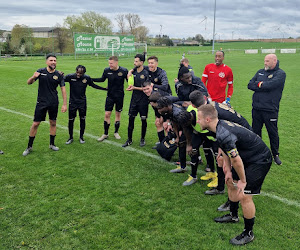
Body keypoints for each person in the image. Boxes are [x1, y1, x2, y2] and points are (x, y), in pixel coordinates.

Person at [197, 104, 272, 245]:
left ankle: (248, 233)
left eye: (199, 118)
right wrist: (227, 169)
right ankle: (233, 215)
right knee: (229, 182)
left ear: (207, 119)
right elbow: (225, 149)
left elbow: (236, 160)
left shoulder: (222, 132)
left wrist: (243, 180)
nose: (197, 121)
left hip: (260, 159)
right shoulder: (217, 127)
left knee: (244, 195)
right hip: (247, 157)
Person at [23, 54, 67, 156]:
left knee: (53, 123)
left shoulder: (59, 75)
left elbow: (63, 90)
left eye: (55, 60)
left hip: (53, 102)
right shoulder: (40, 71)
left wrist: (64, 104)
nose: (53, 62)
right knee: (35, 124)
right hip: (41, 102)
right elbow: (29, 82)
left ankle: (52, 144)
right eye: (51, 60)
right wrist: (33, 77)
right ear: (46, 62)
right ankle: (29, 147)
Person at [248, 54, 286, 165]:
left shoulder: (280, 74)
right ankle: (257, 153)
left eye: (267, 61)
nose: (265, 63)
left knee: (272, 133)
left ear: (274, 61)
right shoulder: (260, 71)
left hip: (270, 109)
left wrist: (259, 85)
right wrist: (262, 85)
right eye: (265, 61)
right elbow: (250, 84)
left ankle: (275, 155)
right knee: (256, 132)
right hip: (257, 109)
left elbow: (271, 85)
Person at [64, 65, 107, 144]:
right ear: (75, 71)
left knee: (82, 119)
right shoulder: (70, 77)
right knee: (71, 120)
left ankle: (81, 137)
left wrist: (104, 89)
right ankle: (70, 137)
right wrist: (59, 74)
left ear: (83, 73)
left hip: (82, 103)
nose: (78, 74)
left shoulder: (86, 78)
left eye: (80, 73)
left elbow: (93, 85)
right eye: (77, 72)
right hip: (72, 102)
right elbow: (60, 80)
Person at [93, 56, 128, 141]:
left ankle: (116, 132)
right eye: (109, 63)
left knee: (117, 114)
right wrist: (90, 79)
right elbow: (102, 79)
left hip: (120, 96)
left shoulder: (124, 71)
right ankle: (105, 134)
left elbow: (129, 81)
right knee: (107, 114)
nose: (110, 65)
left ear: (116, 62)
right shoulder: (106, 70)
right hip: (110, 96)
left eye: (111, 63)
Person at [122, 54, 149, 147]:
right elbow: (130, 83)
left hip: (143, 100)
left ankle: (142, 139)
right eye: (134, 61)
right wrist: (128, 76)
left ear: (142, 62)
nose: (134, 63)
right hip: (134, 100)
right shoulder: (133, 72)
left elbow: (147, 88)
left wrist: (134, 88)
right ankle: (129, 139)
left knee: (143, 120)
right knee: (131, 119)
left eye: (136, 61)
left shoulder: (146, 73)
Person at [146, 56, 172, 144]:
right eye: (149, 63)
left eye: (152, 63)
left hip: (165, 101)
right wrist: (130, 72)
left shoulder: (161, 73)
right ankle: (162, 143)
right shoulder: (147, 71)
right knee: (158, 122)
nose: (150, 65)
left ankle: (168, 144)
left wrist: (153, 85)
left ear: (156, 64)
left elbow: (165, 86)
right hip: (155, 101)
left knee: (166, 124)